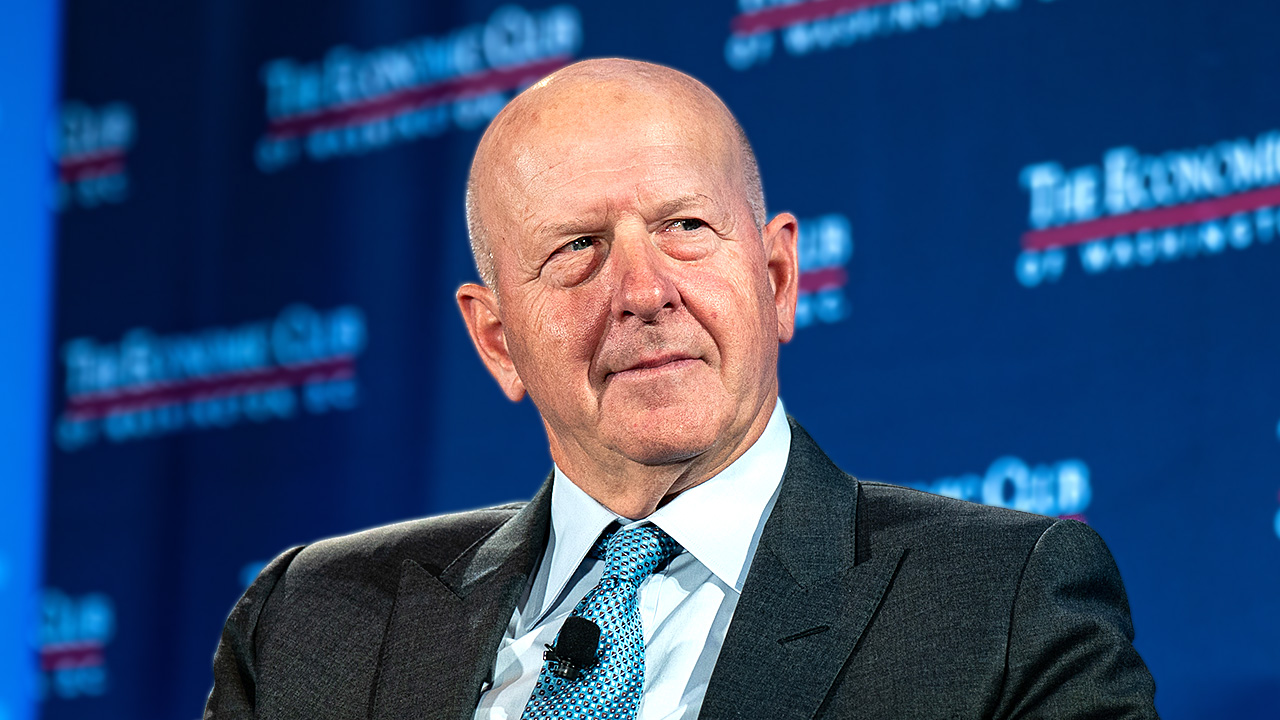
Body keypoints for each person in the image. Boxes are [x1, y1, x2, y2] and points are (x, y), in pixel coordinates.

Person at [206, 59, 1158, 719]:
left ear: (778, 279)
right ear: (497, 341)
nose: (644, 290)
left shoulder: (1000, 604)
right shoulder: (312, 621)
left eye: (686, 227)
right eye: (577, 247)